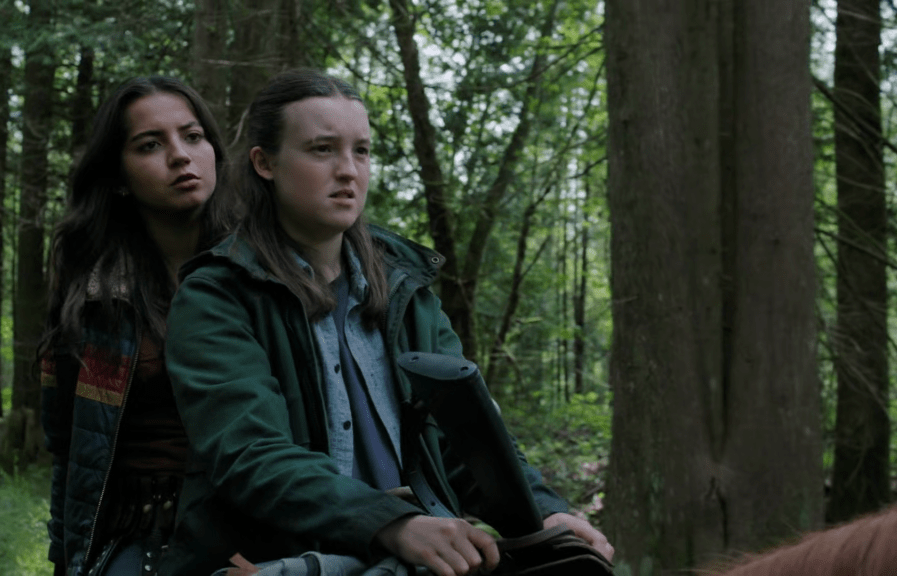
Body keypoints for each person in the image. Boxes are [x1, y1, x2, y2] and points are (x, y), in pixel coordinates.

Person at [159, 68, 614, 576]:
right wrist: (392, 523)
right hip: (274, 561)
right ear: (265, 163)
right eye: (322, 150)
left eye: (362, 151)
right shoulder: (216, 295)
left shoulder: (406, 290)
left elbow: (465, 440)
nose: (348, 170)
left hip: (413, 558)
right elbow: (249, 455)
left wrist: (544, 513)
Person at [39, 76, 238, 576]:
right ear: (119, 176)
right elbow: (69, 446)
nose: (180, 156)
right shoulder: (92, 288)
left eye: (193, 136)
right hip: (135, 534)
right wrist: (66, 559)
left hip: (247, 528)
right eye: (151, 145)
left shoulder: (261, 272)